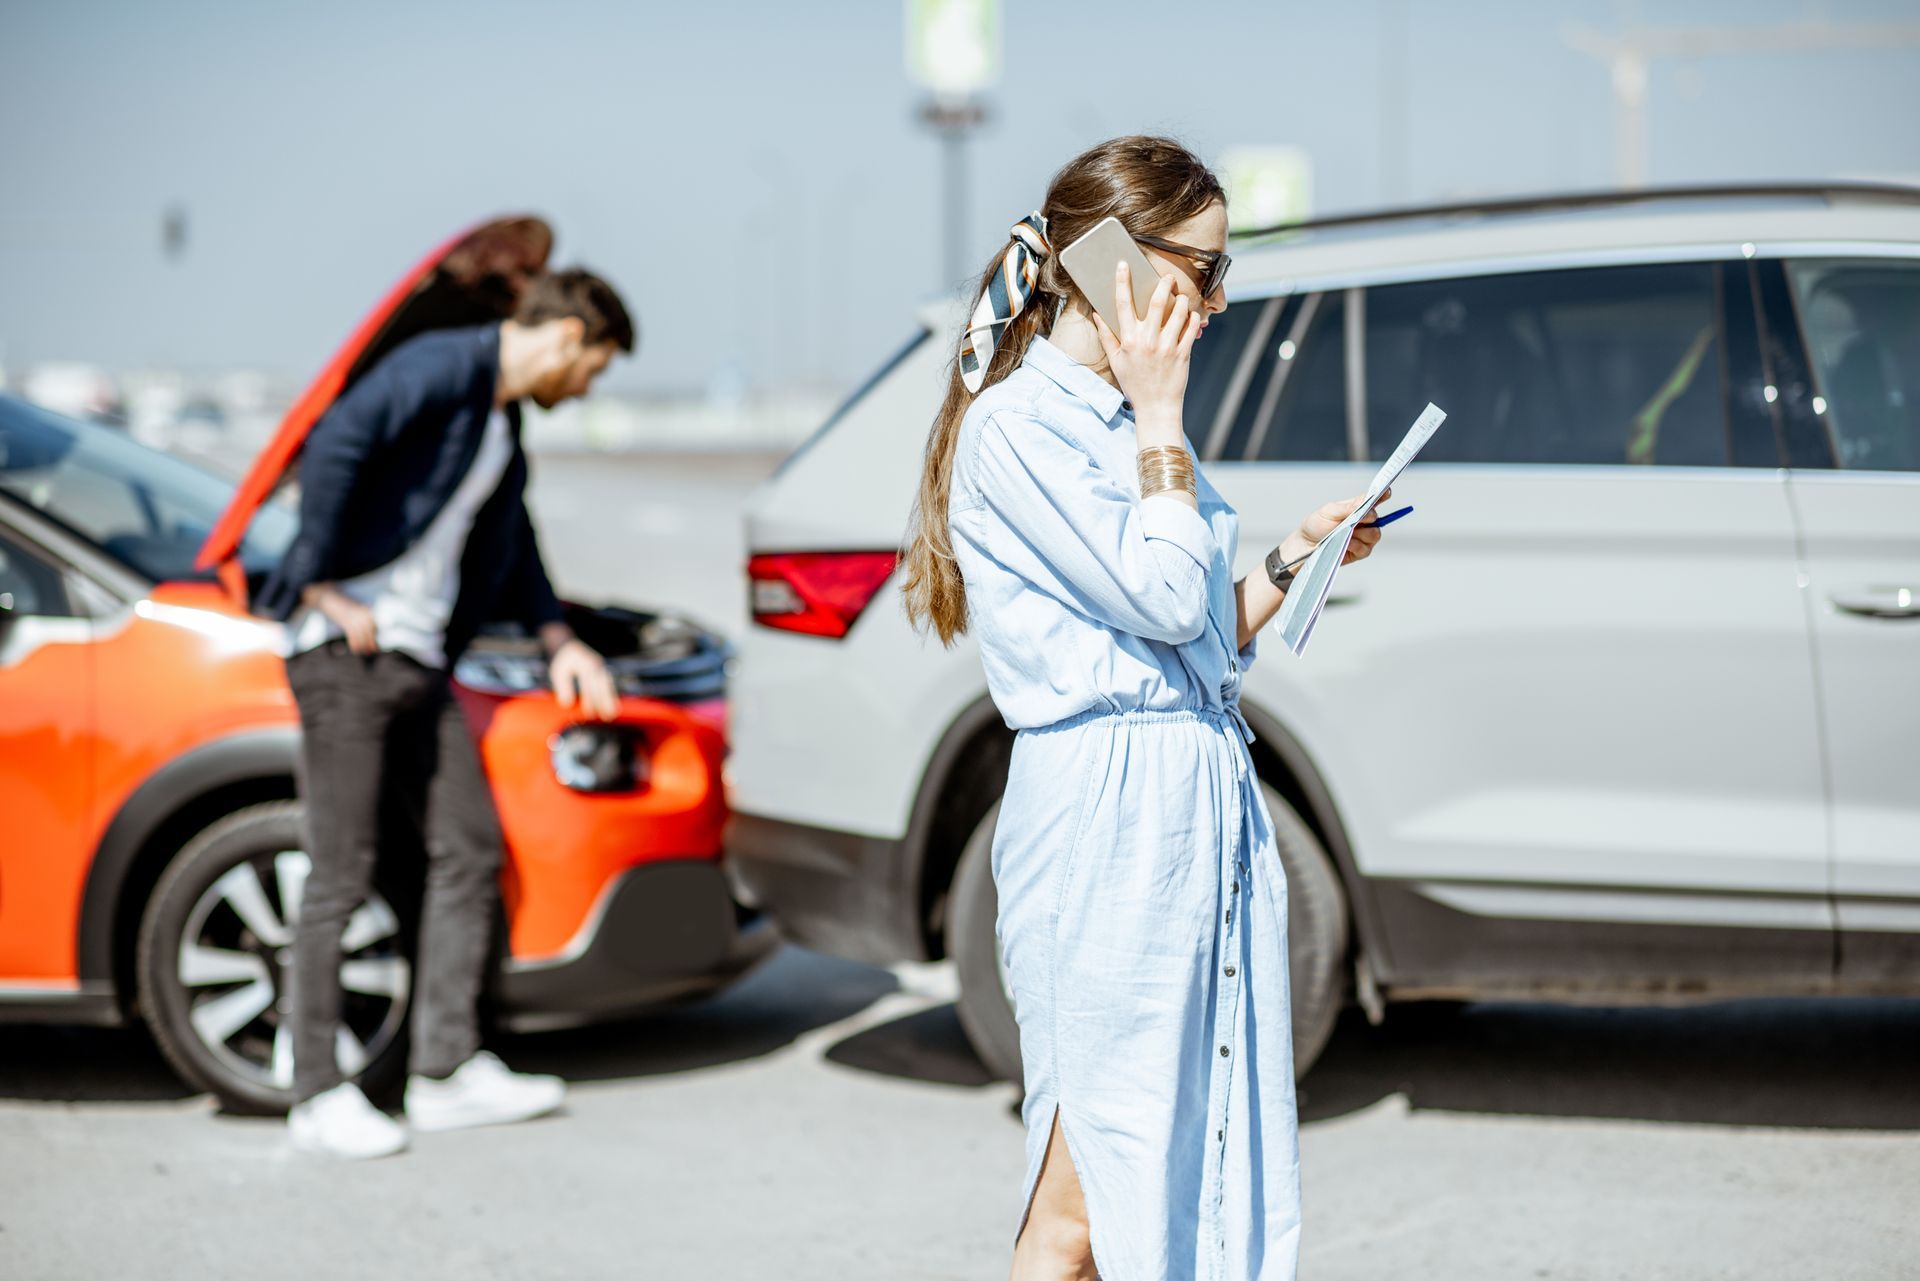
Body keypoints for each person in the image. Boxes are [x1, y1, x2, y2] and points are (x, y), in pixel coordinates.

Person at [901, 137, 1392, 1281]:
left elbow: (1200, 627)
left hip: (1184, 803)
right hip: (1105, 826)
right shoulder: (1022, 428)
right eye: (1204, 270)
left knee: (1174, 1171)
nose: (1217, 302)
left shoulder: (1119, 423)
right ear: (1117, 261)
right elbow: (1167, 596)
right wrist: (1164, 413)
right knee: (1088, 1189)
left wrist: (1293, 557)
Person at [254, 268, 634, 1159]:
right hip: (344, 657)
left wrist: (560, 640)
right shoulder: (440, 366)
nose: (584, 390)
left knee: (466, 850)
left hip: (416, 663)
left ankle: (444, 1071)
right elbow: (338, 438)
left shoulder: (498, 425)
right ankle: (316, 1092)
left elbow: (519, 544)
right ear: (568, 337)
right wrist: (317, 583)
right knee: (339, 872)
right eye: (593, 370)